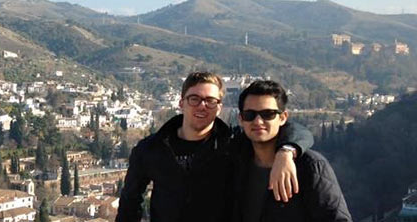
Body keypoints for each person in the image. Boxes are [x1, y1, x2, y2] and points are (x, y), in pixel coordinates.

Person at [116, 72, 314, 222]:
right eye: (195, 99)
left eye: (211, 101)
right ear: (181, 103)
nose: (202, 106)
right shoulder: (151, 148)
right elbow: (130, 203)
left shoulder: (233, 142)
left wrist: (286, 152)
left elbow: (294, 129)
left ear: (219, 107)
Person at [233, 80, 351, 221]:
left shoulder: (310, 166)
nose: (258, 121)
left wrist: (286, 151)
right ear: (241, 119)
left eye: (268, 114)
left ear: (283, 118)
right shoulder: (233, 163)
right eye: (250, 115)